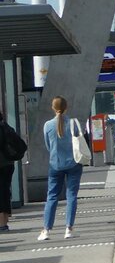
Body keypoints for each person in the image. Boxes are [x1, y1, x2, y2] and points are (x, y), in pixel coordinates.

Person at [40, 96, 85, 241]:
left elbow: (48, 146)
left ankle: (46, 230)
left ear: (53, 108)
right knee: (71, 195)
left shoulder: (47, 125)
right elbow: (79, 142)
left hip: (55, 164)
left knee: (52, 196)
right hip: (74, 163)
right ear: (66, 107)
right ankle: (68, 229)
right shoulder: (73, 123)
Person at [1, 109, 29, 232]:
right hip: (8, 164)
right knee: (5, 191)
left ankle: (2, 223)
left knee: (1, 193)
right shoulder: (6, 127)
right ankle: (5, 219)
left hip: (1, 164)